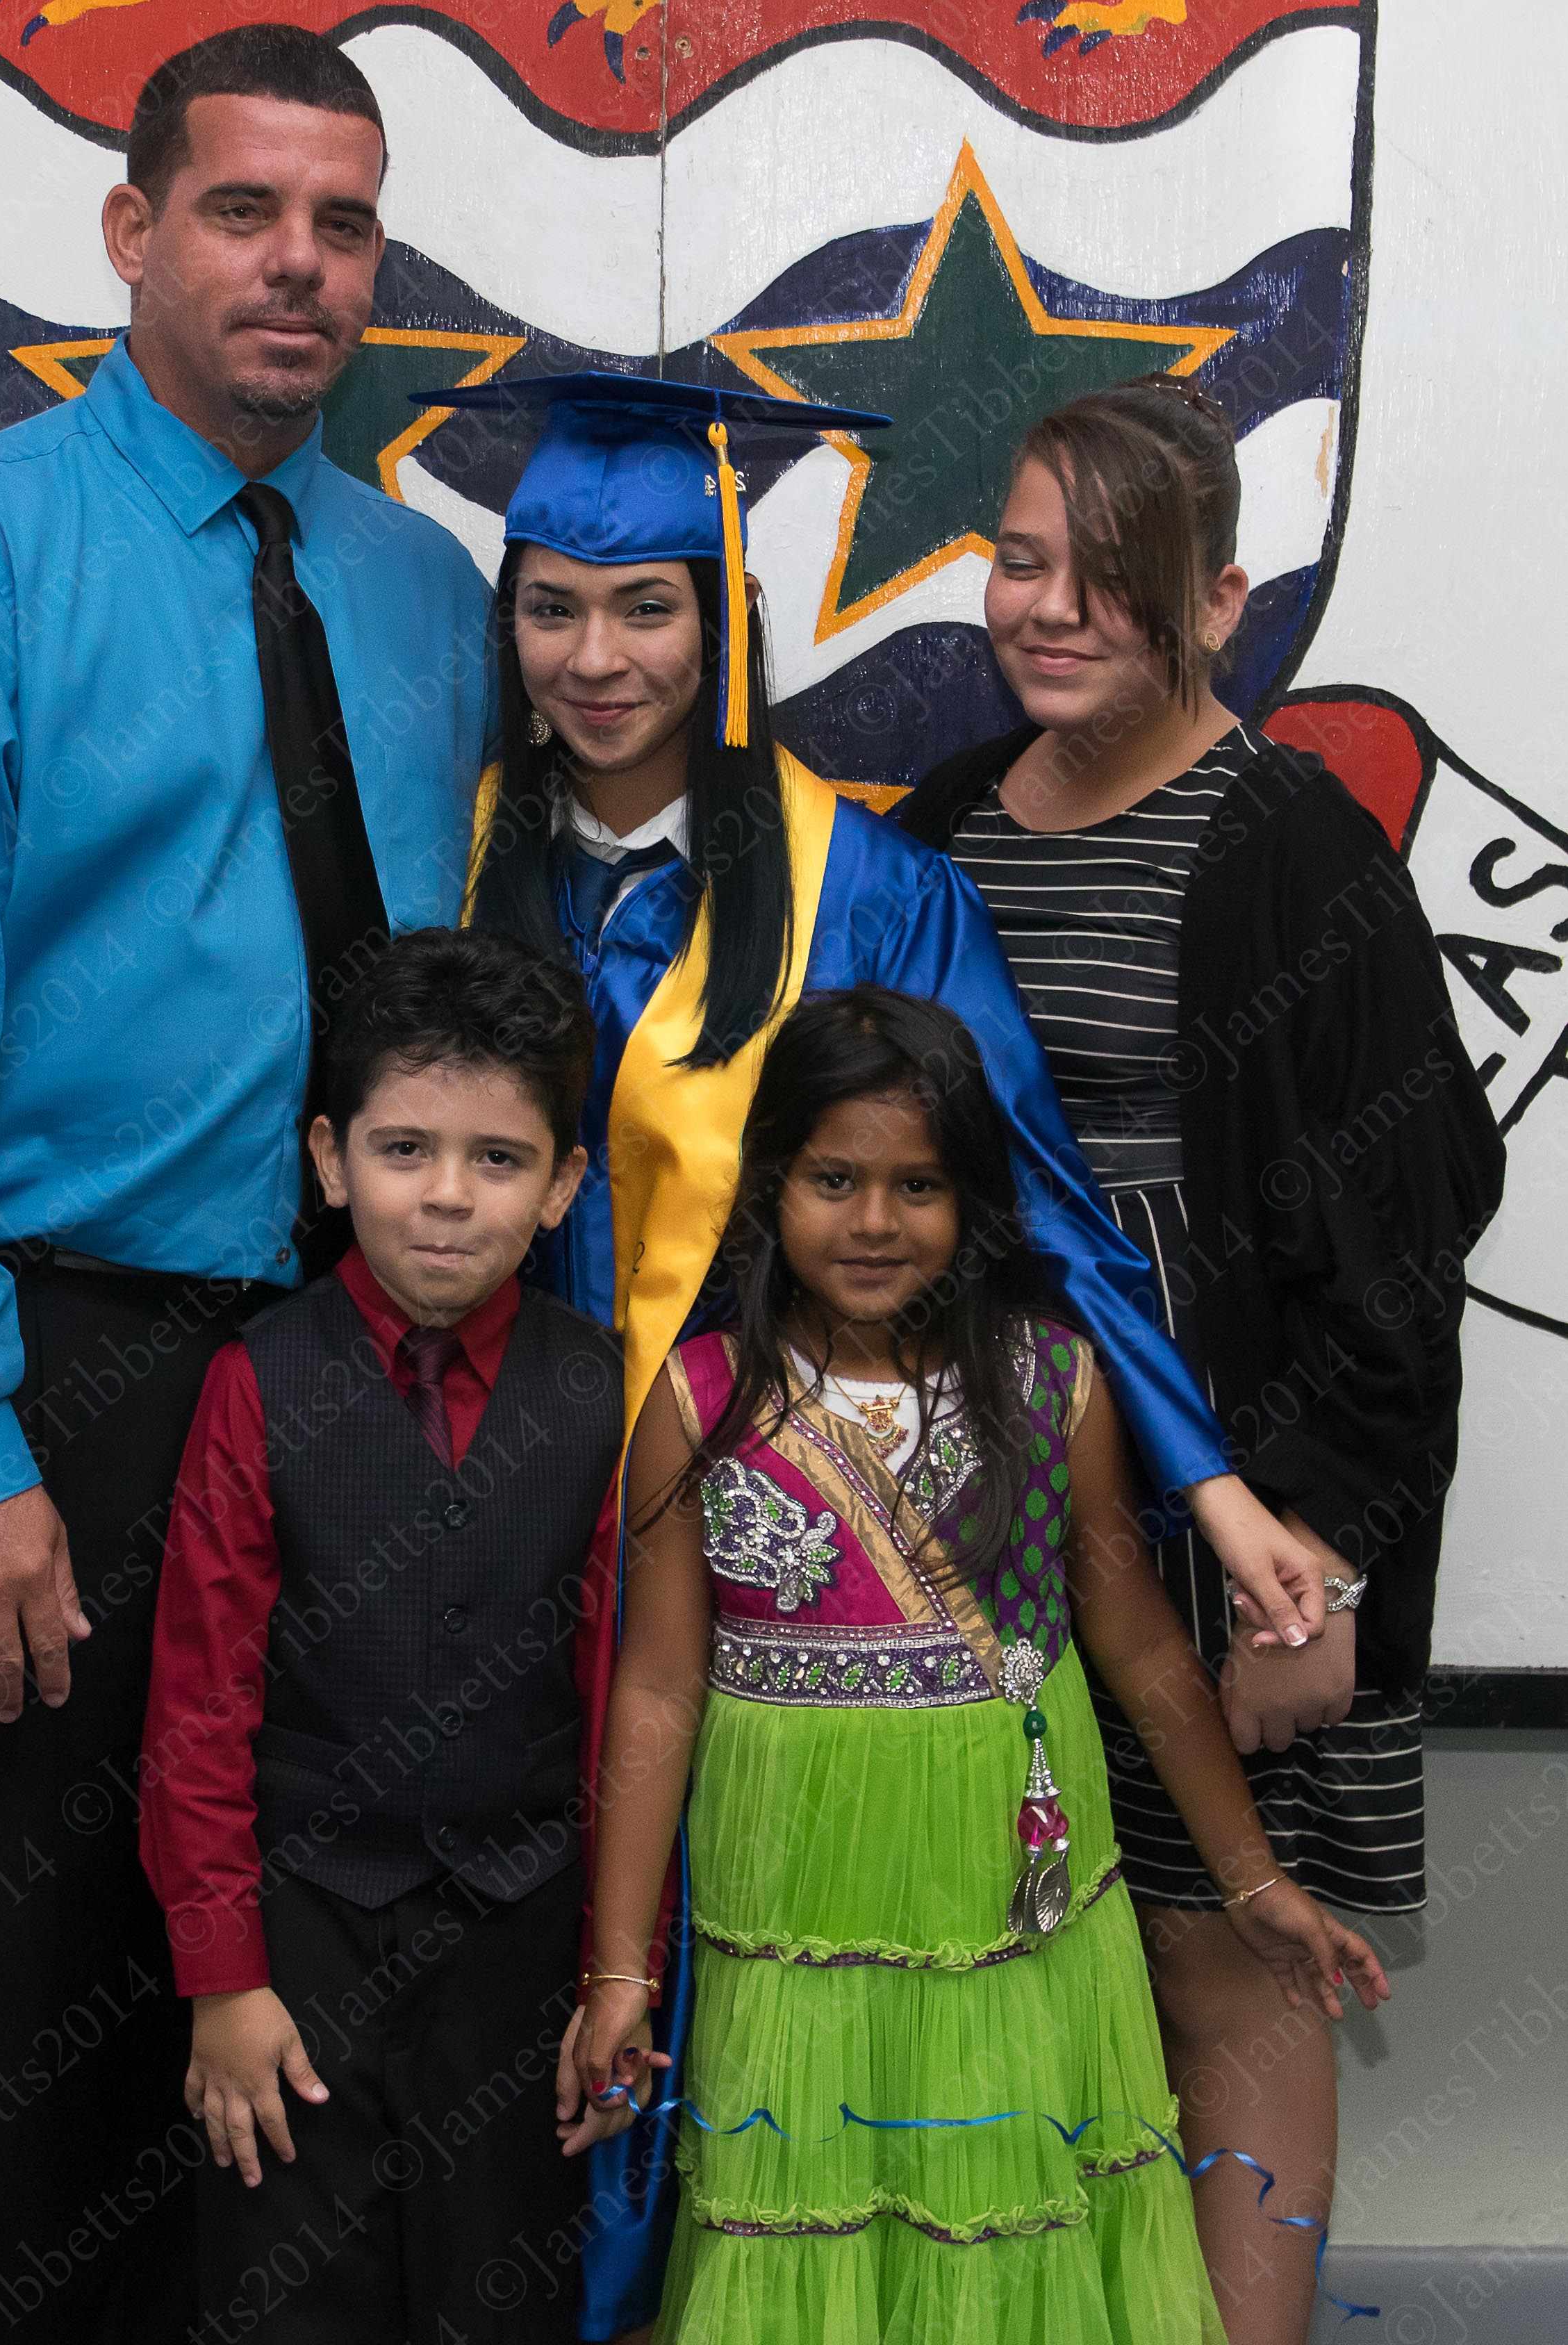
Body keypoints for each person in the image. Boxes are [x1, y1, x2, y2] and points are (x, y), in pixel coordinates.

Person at [417, 367, 1331, 2336]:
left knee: (748, 1986)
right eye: (551, 605)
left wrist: (1207, 1480)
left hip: (758, 1549)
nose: (598, 657)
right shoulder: (443, 853)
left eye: (649, 605)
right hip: (478, 1533)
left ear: (726, 623)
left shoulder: (871, 889)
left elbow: (1040, 1218)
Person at [0, 26, 495, 2345]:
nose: (299, 265)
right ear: (129, 230)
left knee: (288, 2013)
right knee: (21, 2034)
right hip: (58, 1380)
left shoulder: (420, 589)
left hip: (344, 1380)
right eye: (242, 211)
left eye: (343, 224)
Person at [897, 377, 1504, 2345]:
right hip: (967, 1494)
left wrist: (1309, 1557)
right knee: (999, 1934)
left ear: (1222, 599)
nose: (1052, 608)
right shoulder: (941, 824)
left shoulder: (1290, 849)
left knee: (1216, 1950)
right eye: (1020, 559)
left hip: (1213, 1511)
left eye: (1116, 573)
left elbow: (1401, 1245)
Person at [560, 987, 1389, 2342]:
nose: (874, 1221)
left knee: (1007, 2225)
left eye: (919, 1185)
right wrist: (616, 1974)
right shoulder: (699, 1400)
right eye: (835, 1179)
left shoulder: (1052, 1383)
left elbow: (1138, 1645)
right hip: (795, 1911)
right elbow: (655, 1687)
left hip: (1013, 1904)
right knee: (814, 2231)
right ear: (769, 1186)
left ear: (975, 1202)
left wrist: (1252, 1878)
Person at [137, 929, 624, 2344]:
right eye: (405, 1149)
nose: (448, 1196)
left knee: (502, 2290)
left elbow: (621, 1701)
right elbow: (200, 1698)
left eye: (498, 1159)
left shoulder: (602, 1390)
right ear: (330, 1158)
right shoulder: (258, 1377)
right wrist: (224, 1975)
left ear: (563, 1185)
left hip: (522, 1939)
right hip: (300, 1939)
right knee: (293, 2290)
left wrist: (616, 1966)